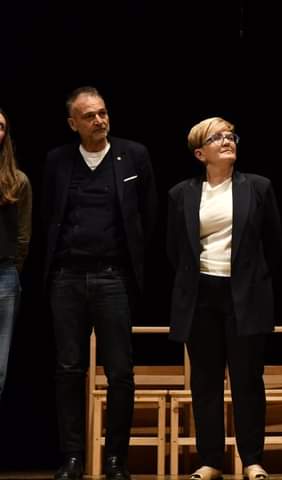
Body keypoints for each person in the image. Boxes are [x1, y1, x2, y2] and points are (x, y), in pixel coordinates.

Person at [43, 86, 157, 480]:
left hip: (113, 278)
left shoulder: (133, 155)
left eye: (103, 113)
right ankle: (73, 456)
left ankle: (115, 459)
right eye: (89, 116)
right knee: (68, 369)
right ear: (73, 123)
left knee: (121, 372)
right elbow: (48, 217)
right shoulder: (57, 161)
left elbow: (148, 214)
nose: (99, 121)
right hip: (67, 278)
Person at [167, 117, 282, 480]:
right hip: (200, 294)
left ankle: (252, 460)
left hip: (245, 293)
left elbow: (275, 244)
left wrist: (255, 279)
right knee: (205, 381)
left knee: (248, 380)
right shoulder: (181, 193)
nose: (228, 140)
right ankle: (211, 461)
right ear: (200, 153)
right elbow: (175, 250)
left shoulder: (258, 187)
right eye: (217, 137)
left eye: (231, 135)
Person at [0, 108, 32, 402]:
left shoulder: (17, 180)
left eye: (0, 127)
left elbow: (23, 235)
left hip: (3, 276)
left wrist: (13, 267)